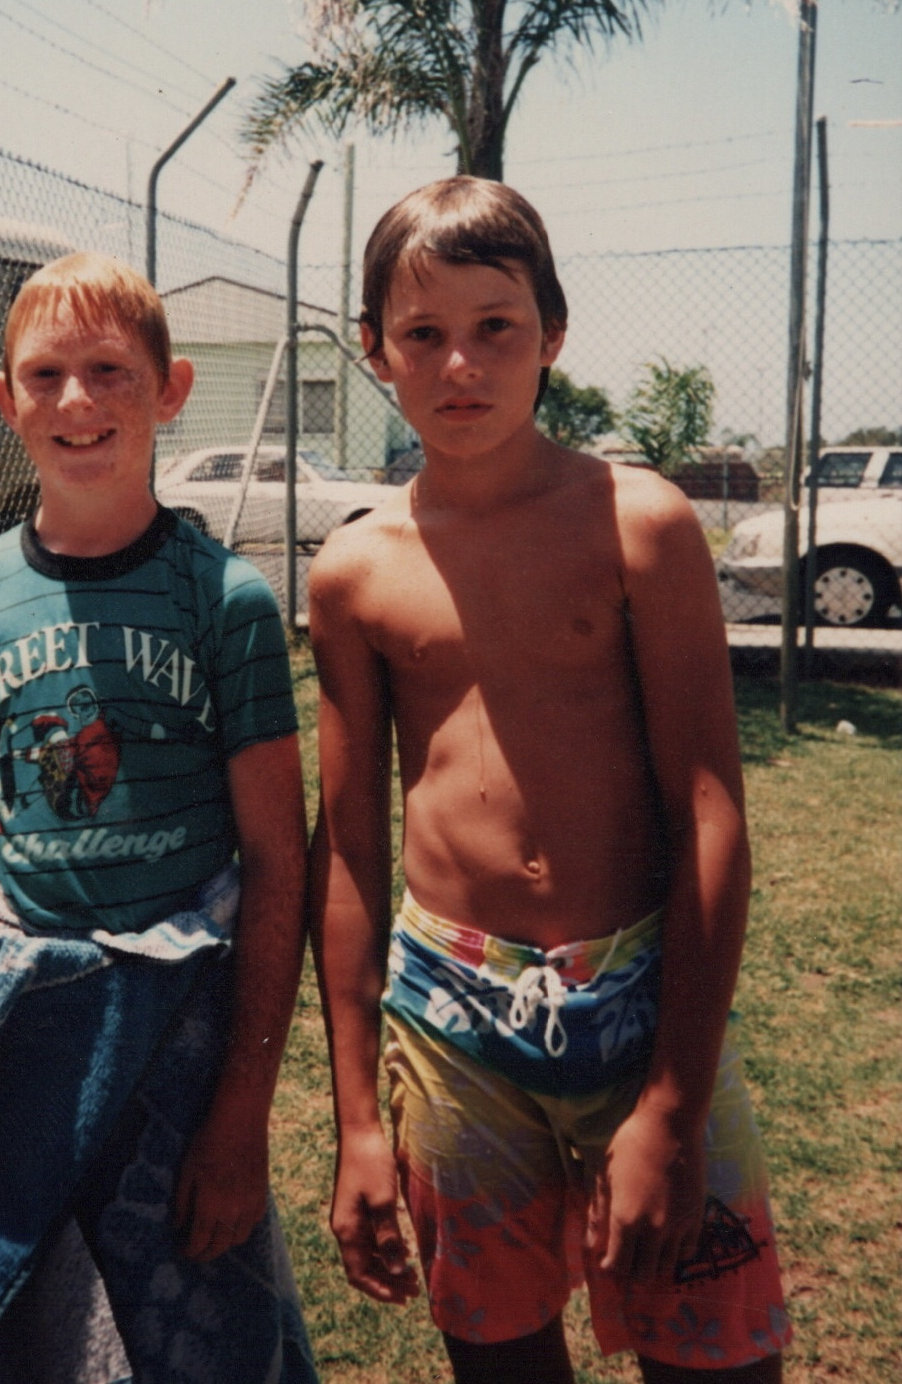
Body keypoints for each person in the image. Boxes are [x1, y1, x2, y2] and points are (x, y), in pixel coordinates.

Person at [308, 179, 790, 1384]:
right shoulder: (355, 571)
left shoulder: (639, 523)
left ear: (553, 336)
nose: (458, 362)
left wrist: (675, 1097)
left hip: (641, 998)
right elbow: (351, 851)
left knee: (717, 1355)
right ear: (374, 351)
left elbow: (707, 810)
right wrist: (357, 1119)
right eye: (420, 334)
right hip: (451, 1023)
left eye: (494, 327)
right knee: (498, 1357)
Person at [0, 251, 317, 1384]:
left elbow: (273, 860)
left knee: (193, 1338)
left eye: (111, 371)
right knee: (5, 1333)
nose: (78, 402)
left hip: (179, 1045)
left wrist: (243, 1114)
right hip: (12, 1045)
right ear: (4, 399)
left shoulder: (227, 601)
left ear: (170, 391)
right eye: (47, 373)